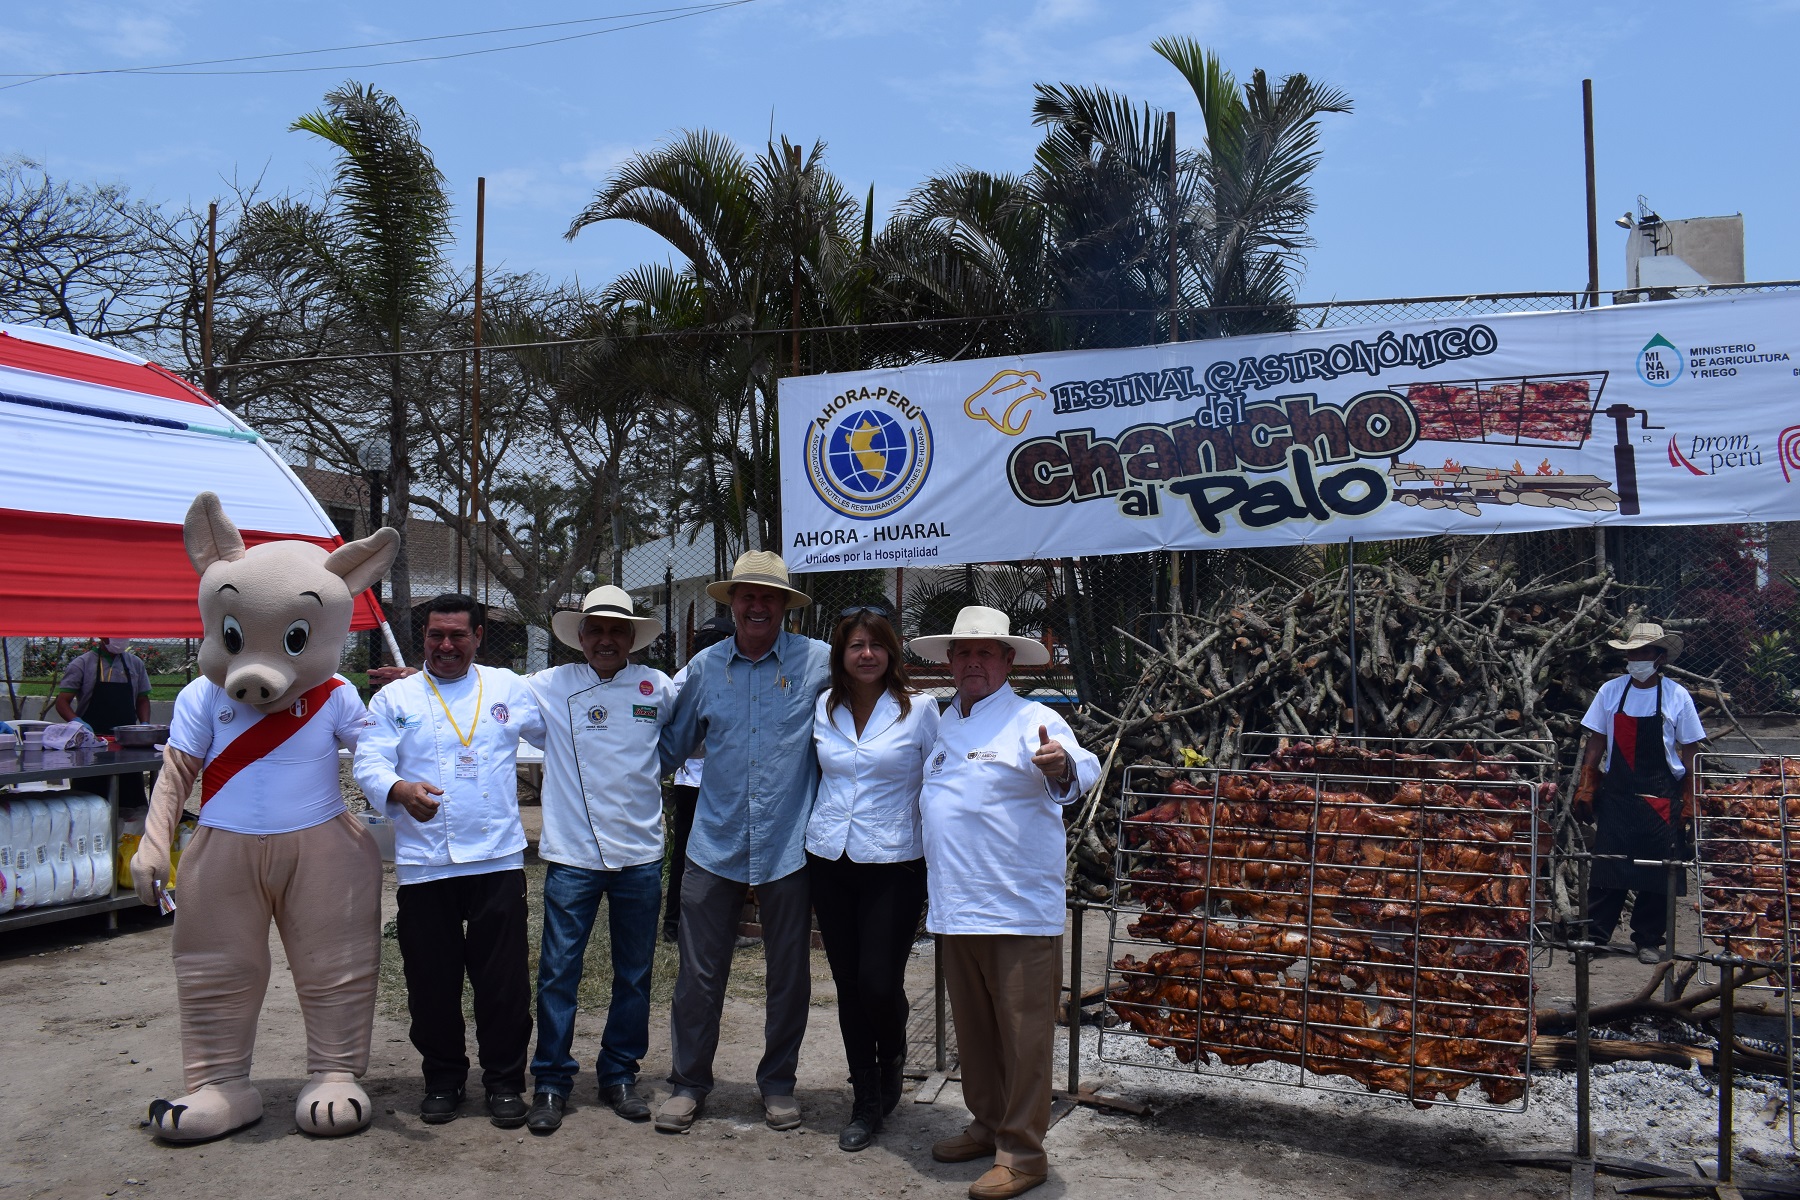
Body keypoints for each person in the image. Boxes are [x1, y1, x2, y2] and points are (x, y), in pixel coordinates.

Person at [909, 605, 1099, 1200]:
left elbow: (1077, 771)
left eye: (985, 652)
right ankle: (987, 1124)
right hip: (956, 907)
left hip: (1017, 911)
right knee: (977, 1032)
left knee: (1024, 1038)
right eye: (962, 653)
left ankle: (1023, 1153)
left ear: (1008, 660)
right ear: (949, 661)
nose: (971, 662)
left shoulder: (1034, 718)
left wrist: (1062, 766)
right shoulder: (943, 723)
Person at [653, 551, 831, 1135]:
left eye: (769, 597)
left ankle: (778, 1083)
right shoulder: (705, 668)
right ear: (730, 604)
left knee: (788, 973)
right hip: (715, 840)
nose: (757, 606)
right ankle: (688, 1083)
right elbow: (670, 746)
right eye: (746, 596)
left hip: (789, 843)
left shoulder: (818, 665)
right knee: (699, 973)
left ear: (784, 606)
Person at [353, 594, 546, 1129]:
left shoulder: (508, 687)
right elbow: (369, 757)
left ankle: (505, 1082)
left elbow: (560, 733)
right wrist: (396, 787)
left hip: (497, 860)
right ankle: (443, 1079)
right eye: (436, 636)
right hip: (425, 862)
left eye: (457, 636)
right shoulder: (397, 696)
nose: (445, 646)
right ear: (423, 638)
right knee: (431, 982)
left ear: (479, 636)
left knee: (503, 983)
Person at [522, 586, 674, 1135]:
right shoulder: (547, 686)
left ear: (632, 639)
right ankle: (550, 1082)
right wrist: (418, 684)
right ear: (580, 638)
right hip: (572, 855)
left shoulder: (658, 687)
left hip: (640, 855)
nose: (606, 640)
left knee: (633, 974)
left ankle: (619, 1074)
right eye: (596, 631)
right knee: (559, 972)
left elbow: (684, 740)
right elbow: (483, 699)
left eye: (617, 631)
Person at [808, 604, 939, 1152]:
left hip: (895, 862)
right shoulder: (824, 707)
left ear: (892, 652)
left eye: (876, 645)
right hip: (829, 858)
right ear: (840, 654)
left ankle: (893, 1053)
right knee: (847, 984)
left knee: (878, 984)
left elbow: (941, 783)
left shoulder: (921, 711)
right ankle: (866, 1096)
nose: (866, 655)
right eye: (854, 645)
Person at [1572, 621, 1705, 965]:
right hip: (1618, 792)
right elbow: (1597, 739)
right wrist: (1588, 783)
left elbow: (1690, 749)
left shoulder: (1677, 696)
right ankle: (1595, 937)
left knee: (1658, 870)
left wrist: (1690, 797)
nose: (1635, 658)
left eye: (1643, 652)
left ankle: (1647, 940)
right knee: (1608, 867)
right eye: (1631, 653)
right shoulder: (1611, 691)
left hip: (1662, 793)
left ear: (1659, 657)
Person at [664, 614, 736, 944]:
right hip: (708, 781)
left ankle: (675, 923)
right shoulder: (715, 672)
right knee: (709, 853)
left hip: (687, 780)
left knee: (684, 852)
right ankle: (691, 924)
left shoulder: (681, 674)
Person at [56, 637, 153, 807]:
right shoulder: (82, 664)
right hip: (91, 745)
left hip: (126, 746)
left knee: (131, 805)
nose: (119, 639)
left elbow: (142, 699)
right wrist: (77, 722)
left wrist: (145, 724)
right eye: (113, 635)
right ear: (101, 636)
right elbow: (62, 702)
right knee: (89, 804)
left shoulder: (135, 664)